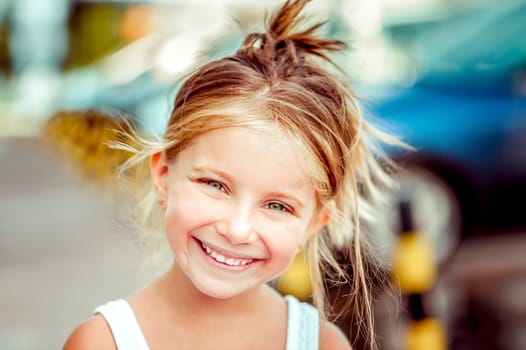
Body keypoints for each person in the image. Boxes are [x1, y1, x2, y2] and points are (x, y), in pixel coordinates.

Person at [64, 0, 401, 349]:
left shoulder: (323, 344)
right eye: (215, 185)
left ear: (316, 222)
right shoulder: (102, 343)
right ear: (164, 175)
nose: (237, 230)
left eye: (278, 206)